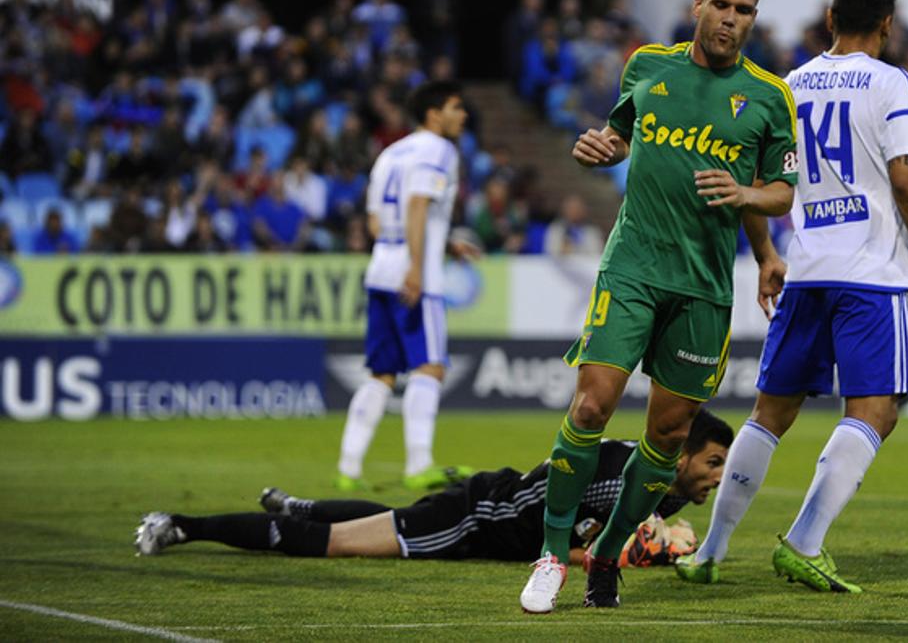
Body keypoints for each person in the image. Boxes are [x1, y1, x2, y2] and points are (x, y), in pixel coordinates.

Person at [519, 0, 799, 613]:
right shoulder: (647, 65)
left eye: (744, 11)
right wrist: (602, 146)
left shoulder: (768, 95)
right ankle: (553, 554)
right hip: (633, 266)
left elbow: (781, 193)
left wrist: (750, 209)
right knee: (590, 406)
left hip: (702, 286)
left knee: (669, 437)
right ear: (697, 5)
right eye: (722, 6)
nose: (731, 20)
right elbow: (620, 133)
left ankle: (609, 553)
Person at [675, 0, 908, 593]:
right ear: (888, 24)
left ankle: (711, 551)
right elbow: (906, 179)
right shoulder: (890, 83)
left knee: (769, 414)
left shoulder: (789, 85)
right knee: (876, 411)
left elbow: (755, 178)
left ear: (830, 19)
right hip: (869, 276)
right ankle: (803, 540)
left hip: (804, 269)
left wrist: (766, 256)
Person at [135, 410, 732, 565]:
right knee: (338, 544)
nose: (717, 475)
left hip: (488, 503)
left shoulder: (661, 479)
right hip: (477, 519)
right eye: (711, 462)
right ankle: (185, 526)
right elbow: (568, 544)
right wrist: (634, 551)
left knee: (388, 518)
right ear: (681, 455)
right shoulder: (622, 481)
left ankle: (302, 504)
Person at [337, 81, 475, 493]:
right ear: (434, 114)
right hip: (417, 276)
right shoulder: (440, 150)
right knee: (429, 366)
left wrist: (442, 241)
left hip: (381, 268)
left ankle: (347, 468)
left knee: (381, 373)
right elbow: (417, 204)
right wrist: (418, 265)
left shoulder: (390, 153)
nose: (462, 115)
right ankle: (419, 462)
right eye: (456, 107)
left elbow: (378, 222)